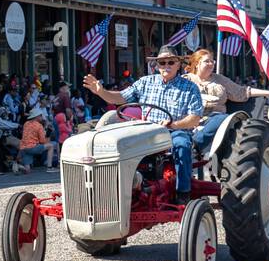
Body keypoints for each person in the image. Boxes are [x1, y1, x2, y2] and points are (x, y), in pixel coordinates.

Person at [84, 45, 203, 203]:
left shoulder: (190, 87)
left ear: (178, 64)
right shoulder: (145, 82)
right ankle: (115, 190)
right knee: (118, 145)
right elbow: (120, 97)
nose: (166, 65)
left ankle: (183, 193)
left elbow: (195, 118)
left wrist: (173, 124)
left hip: (175, 131)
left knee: (182, 145)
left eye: (171, 62)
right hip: (147, 131)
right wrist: (101, 91)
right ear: (157, 65)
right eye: (162, 62)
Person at [185, 49, 269, 155]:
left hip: (214, 118)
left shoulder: (220, 79)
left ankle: (194, 145)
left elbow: (242, 92)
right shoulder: (185, 80)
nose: (211, 64)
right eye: (207, 61)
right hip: (190, 117)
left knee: (223, 118)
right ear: (196, 64)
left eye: (212, 61)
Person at [17, 106, 54, 173]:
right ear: (36, 117)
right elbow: (42, 141)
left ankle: (19, 166)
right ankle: (49, 167)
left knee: (27, 170)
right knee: (50, 146)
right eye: (40, 115)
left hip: (23, 148)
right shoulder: (39, 126)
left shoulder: (26, 124)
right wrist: (48, 133)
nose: (42, 117)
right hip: (32, 147)